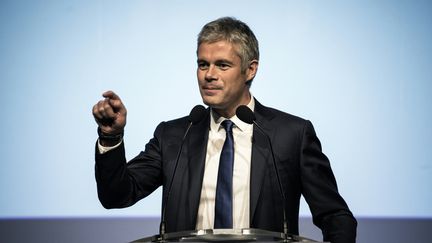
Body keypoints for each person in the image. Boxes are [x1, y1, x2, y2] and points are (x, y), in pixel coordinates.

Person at [92, 17, 357, 243]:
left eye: (222, 65)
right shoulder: (174, 136)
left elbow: (335, 216)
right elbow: (117, 195)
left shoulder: (291, 134)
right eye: (203, 64)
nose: (209, 74)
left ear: (250, 69)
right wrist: (110, 136)